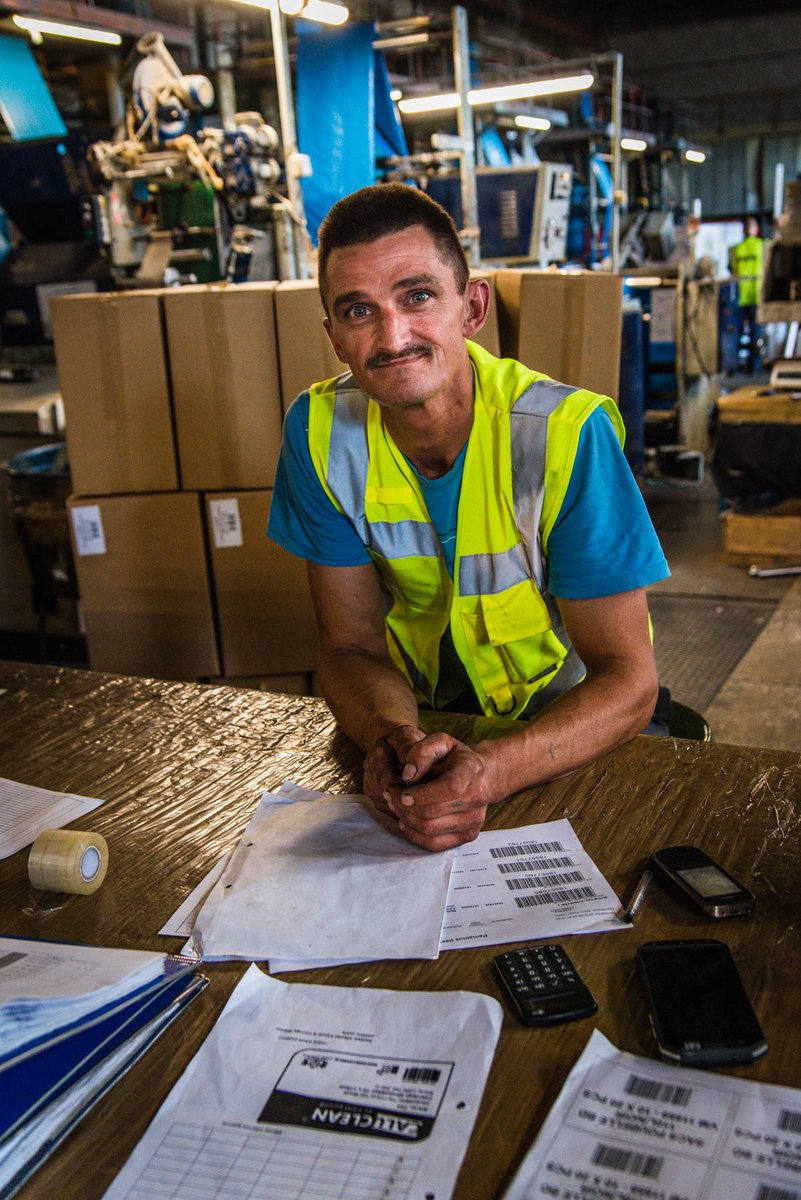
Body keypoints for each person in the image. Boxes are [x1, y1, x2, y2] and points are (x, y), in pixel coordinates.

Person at [268, 183, 669, 852]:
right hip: (419, 730)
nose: (391, 336)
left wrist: (490, 770)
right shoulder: (317, 434)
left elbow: (629, 682)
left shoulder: (563, 435)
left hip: (560, 731)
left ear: (471, 307)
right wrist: (390, 739)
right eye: (358, 310)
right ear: (334, 338)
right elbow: (349, 646)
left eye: (416, 297)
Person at [729, 216, 764, 373]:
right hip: (757, 295)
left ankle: (735, 366)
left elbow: (731, 269)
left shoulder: (737, 249)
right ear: (756, 230)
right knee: (756, 333)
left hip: (740, 296)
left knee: (737, 334)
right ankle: (754, 367)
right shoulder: (761, 246)